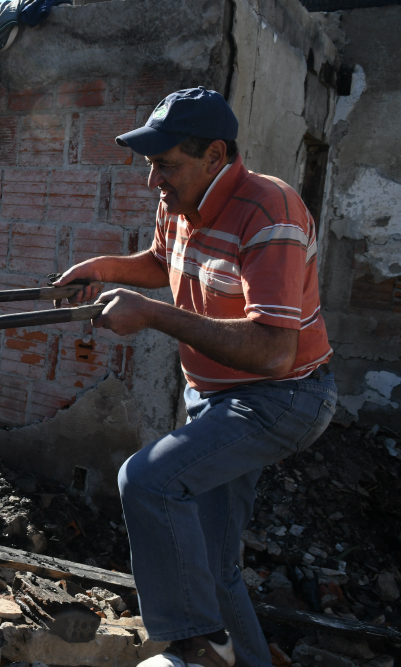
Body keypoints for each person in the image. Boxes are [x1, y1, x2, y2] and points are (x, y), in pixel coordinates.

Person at [53, 87, 336, 667]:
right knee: (212, 565)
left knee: (148, 481)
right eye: (152, 164)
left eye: (166, 165)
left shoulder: (268, 213)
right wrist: (104, 268)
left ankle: (196, 646)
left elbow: (275, 352)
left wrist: (152, 314)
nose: (154, 180)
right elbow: (162, 263)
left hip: (282, 397)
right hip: (213, 397)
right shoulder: (181, 201)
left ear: (215, 154)